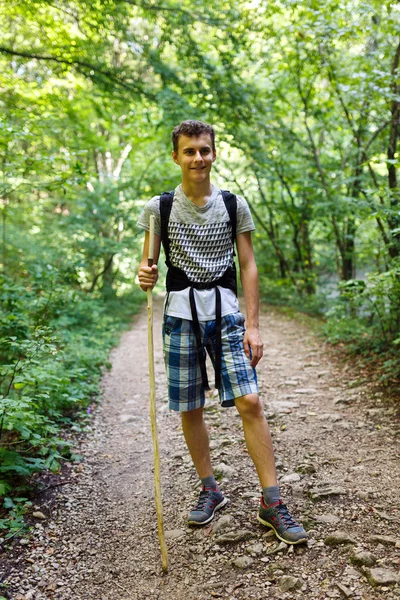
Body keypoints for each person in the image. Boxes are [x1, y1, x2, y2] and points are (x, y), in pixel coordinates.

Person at [137, 120, 307, 545]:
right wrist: (144, 275)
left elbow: (247, 265)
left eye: (204, 150)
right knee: (190, 406)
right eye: (189, 151)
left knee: (250, 400)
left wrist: (254, 324)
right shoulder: (158, 209)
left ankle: (271, 502)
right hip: (180, 316)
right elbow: (148, 267)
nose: (198, 158)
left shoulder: (234, 205)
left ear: (215, 154)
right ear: (175, 156)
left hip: (228, 315)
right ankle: (210, 488)